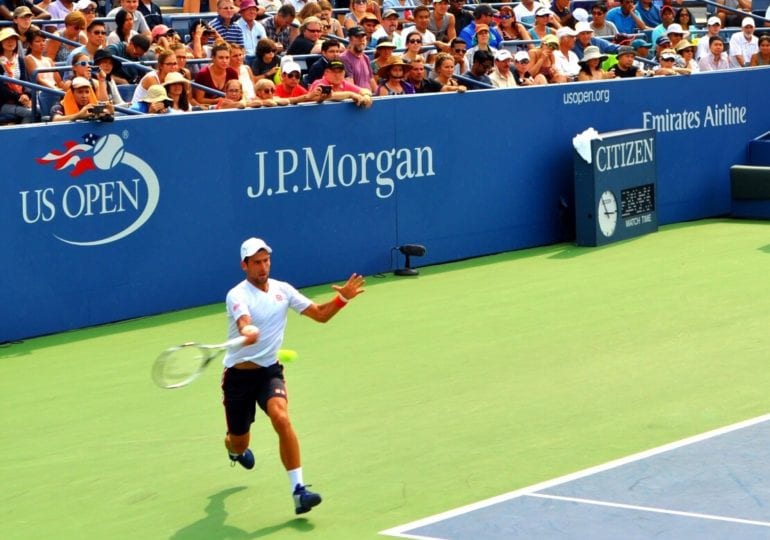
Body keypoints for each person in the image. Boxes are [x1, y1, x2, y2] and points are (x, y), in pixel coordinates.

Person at [223, 238, 364, 514]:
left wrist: (343, 297)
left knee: (282, 417)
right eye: (256, 262)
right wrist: (247, 330)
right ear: (245, 265)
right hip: (238, 379)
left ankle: (299, 491)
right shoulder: (236, 295)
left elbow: (320, 315)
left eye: (266, 261)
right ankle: (233, 449)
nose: (263, 267)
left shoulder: (283, 290)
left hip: (269, 372)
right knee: (239, 441)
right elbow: (244, 322)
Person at [0, 27, 33, 124]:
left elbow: (25, 82)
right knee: (31, 113)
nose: (10, 42)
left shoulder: (20, 60)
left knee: (38, 110)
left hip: (20, 100)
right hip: (3, 103)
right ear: (1, 43)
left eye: (13, 39)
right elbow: (1, 90)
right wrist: (19, 98)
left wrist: (26, 95)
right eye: (6, 39)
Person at [308, 59, 373, 106]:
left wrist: (366, 96)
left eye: (340, 72)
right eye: (334, 72)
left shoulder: (344, 83)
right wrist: (350, 94)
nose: (337, 75)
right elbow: (329, 96)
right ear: (326, 72)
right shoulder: (319, 83)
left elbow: (364, 90)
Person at [194, 40, 239, 106]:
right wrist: (216, 101)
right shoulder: (203, 74)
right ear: (213, 58)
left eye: (227, 58)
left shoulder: (233, 73)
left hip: (229, 107)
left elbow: (238, 95)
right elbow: (199, 100)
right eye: (221, 58)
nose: (224, 61)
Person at [340, 26, 376, 92]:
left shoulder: (366, 57)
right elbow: (349, 85)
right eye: (358, 38)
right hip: (357, 99)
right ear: (350, 40)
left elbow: (371, 79)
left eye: (363, 38)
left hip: (369, 98)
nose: (361, 41)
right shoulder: (344, 58)